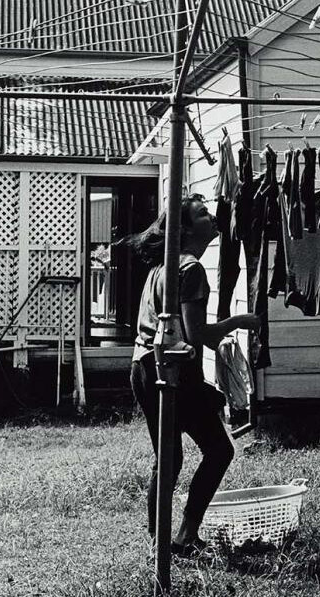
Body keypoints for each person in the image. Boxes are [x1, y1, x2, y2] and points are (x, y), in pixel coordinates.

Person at [122, 193, 259, 555]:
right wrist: (239, 322)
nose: (211, 217)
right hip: (170, 370)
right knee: (217, 450)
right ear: (183, 230)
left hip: (143, 367)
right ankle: (181, 536)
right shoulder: (191, 269)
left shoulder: (162, 268)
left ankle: (160, 541)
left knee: (170, 458)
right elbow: (196, 337)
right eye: (202, 214)